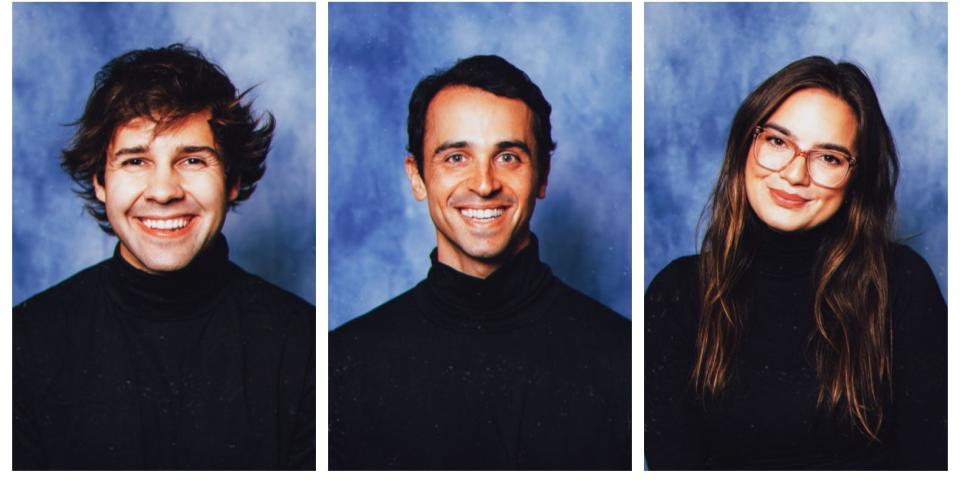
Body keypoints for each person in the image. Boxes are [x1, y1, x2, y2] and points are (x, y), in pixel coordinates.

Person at [13, 44, 315, 470]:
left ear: (232, 179)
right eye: (135, 160)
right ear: (101, 182)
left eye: (192, 159)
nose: (163, 191)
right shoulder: (22, 344)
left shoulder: (306, 346)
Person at [329, 55, 630, 469]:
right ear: (417, 176)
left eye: (508, 156)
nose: (485, 184)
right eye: (456, 157)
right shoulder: (343, 364)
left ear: (541, 176)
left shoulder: (623, 355)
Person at [644, 56, 946, 470]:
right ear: (746, 144)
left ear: (856, 179)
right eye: (778, 142)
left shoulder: (902, 284)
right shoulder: (677, 294)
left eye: (829, 158)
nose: (795, 175)